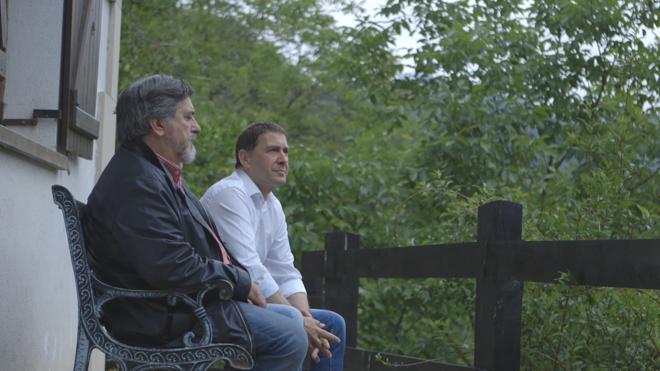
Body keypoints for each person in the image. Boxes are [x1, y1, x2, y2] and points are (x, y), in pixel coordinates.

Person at [83, 75, 307, 371]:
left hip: (176, 305)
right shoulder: (137, 182)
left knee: (292, 320)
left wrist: (239, 282)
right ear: (158, 125)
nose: (196, 127)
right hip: (159, 315)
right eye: (187, 117)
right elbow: (170, 263)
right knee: (289, 334)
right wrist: (240, 281)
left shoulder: (157, 174)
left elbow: (187, 254)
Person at [201, 121, 346, 371]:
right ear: (245, 158)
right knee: (292, 323)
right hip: (217, 303)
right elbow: (251, 268)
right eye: (273, 150)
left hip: (249, 305)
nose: (283, 159)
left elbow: (284, 270)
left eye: (286, 151)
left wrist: (307, 318)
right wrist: (300, 321)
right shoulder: (229, 194)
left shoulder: (273, 205)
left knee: (331, 324)